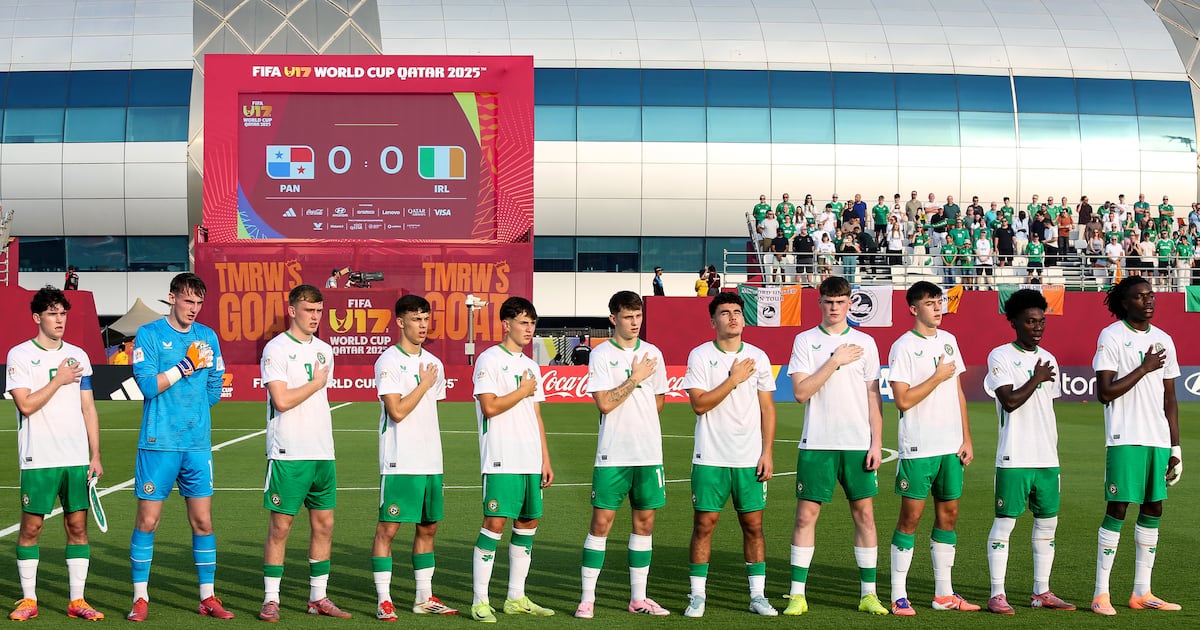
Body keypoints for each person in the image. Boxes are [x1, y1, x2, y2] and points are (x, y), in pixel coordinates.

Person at [127, 272, 231, 621]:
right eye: (188, 301)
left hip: (197, 445)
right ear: (172, 298)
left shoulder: (207, 336)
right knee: (148, 521)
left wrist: (198, 411)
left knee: (203, 521)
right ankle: (140, 598)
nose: (194, 309)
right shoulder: (150, 334)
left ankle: (208, 597)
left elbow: (215, 384)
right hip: (159, 444)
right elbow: (147, 386)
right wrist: (185, 367)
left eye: (199, 303)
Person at [783, 277, 889, 617]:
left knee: (865, 515)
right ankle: (797, 595)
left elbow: (874, 396)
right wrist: (834, 360)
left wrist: (877, 443)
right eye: (829, 301)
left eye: (841, 301)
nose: (834, 307)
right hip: (817, 442)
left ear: (849, 303)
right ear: (820, 302)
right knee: (805, 517)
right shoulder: (805, 341)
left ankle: (868, 594)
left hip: (857, 444)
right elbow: (801, 393)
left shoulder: (866, 342)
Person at [6, 288, 105, 622]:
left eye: (63, 313)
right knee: (31, 528)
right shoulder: (19, 355)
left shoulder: (79, 355)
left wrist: (95, 455)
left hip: (76, 458)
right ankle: (28, 599)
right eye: (52, 313)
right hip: (39, 457)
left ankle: (77, 600)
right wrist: (60, 378)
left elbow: (88, 408)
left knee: (78, 526)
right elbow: (26, 405)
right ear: (37, 318)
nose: (59, 319)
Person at [680, 292, 777, 618]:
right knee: (704, 525)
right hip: (710, 457)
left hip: (749, 458)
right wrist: (733, 379)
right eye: (725, 313)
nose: (733, 317)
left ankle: (758, 595)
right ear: (713, 321)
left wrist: (767, 452)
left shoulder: (759, 357)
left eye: (737, 312)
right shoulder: (700, 355)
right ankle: (697, 596)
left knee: (753, 526)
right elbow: (699, 404)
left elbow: (767, 408)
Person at [574, 292, 670, 619]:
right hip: (613, 453)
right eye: (628, 317)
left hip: (648, 453)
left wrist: (639, 397)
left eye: (638, 316)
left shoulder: (653, 353)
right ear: (613, 318)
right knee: (601, 523)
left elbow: (659, 401)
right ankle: (587, 599)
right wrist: (634, 379)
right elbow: (604, 403)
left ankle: (638, 598)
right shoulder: (601, 355)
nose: (634, 323)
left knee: (645, 522)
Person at [1090, 277, 1182, 615]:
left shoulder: (1164, 340)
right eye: (1140, 296)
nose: (1148, 301)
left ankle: (1142, 592)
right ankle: (1101, 594)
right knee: (1118, 508)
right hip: (1125, 437)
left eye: (1151, 295)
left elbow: (1170, 398)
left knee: (1154, 509)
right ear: (1125, 303)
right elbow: (1105, 392)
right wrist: (1144, 368)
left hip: (1157, 439)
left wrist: (1176, 447)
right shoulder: (1111, 336)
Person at [257, 285, 349, 621]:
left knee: (324, 525)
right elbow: (281, 400)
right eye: (309, 310)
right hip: (288, 451)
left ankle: (318, 597)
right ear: (292, 309)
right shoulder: (276, 349)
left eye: (319, 311)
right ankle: (271, 599)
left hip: (322, 451)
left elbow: (318, 400)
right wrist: (315, 383)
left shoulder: (325, 350)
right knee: (281, 527)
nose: (315, 317)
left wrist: (317, 384)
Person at [887, 281, 979, 616]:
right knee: (910, 518)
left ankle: (944, 593)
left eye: (939, 301)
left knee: (949, 515)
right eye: (930, 303)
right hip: (918, 446)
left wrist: (966, 438)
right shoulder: (903, 347)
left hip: (950, 446)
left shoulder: (950, 341)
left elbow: (958, 392)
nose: (938, 308)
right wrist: (938, 376)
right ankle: (899, 594)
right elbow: (903, 399)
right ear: (914, 309)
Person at [983, 290, 1076, 615]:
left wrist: (1040, 377)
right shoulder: (1001, 356)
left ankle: (1042, 592)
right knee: (1005, 524)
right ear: (1014, 322)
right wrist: (1036, 378)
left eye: (1041, 321)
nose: (1038, 327)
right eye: (1030, 321)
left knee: (1047, 525)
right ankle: (997, 593)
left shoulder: (1049, 358)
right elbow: (1009, 401)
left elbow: (1045, 407)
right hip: (1014, 456)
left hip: (1047, 456)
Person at [371, 295, 457, 620]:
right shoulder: (388, 361)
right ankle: (384, 599)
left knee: (428, 529)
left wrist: (427, 383)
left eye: (425, 318)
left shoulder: (436, 363)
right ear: (400, 322)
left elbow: (429, 414)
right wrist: (422, 385)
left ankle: (424, 598)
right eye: (416, 319)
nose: (423, 325)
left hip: (430, 459)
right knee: (388, 529)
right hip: (399, 460)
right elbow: (397, 411)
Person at [469, 297, 555, 622]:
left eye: (532, 323)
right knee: (494, 524)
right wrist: (521, 391)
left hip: (530, 459)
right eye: (523, 322)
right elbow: (489, 406)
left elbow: (536, 415)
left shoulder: (531, 366)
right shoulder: (489, 359)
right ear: (506, 324)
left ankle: (515, 597)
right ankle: (479, 601)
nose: (529, 329)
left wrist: (545, 459)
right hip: (501, 458)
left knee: (528, 524)